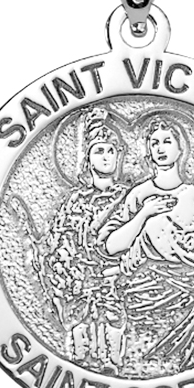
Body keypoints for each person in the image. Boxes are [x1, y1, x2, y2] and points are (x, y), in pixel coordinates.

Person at [99, 117, 194, 370]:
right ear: (148, 151)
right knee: (142, 364)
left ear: (180, 148)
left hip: (190, 299)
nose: (161, 148)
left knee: (191, 365)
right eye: (154, 143)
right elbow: (110, 246)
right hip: (144, 298)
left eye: (167, 141)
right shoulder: (138, 195)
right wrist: (144, 214)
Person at [45, 108, 128, 373]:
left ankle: (113, 365)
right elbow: (62, 240)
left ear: (119, 156)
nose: (105, 157)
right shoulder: (75, 202)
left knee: (113, 320)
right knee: (79, 323)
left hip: (115, 277)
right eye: (99, 151)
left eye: (110, 151)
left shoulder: (129, 198)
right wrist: (65, 267)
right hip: (80, 280)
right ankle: (79, 364)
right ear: (88, 159)